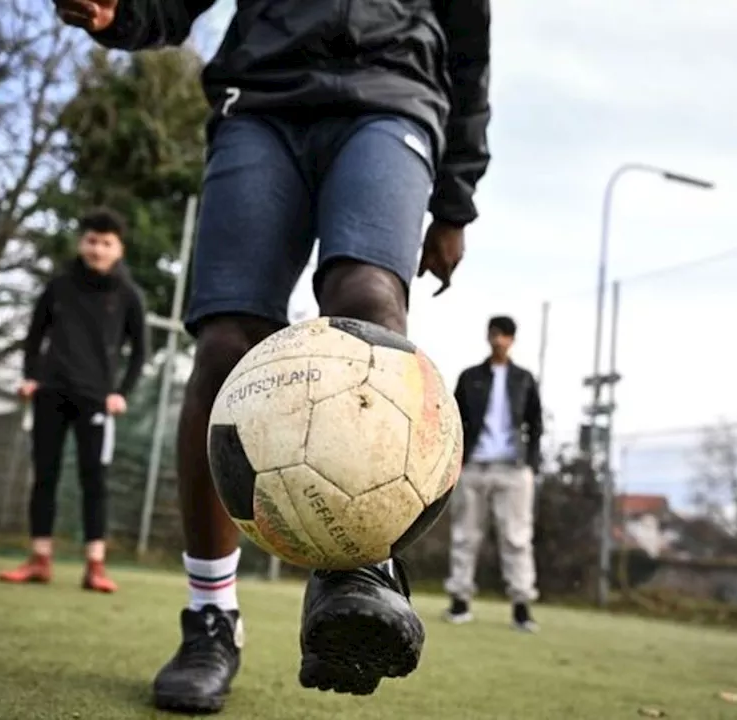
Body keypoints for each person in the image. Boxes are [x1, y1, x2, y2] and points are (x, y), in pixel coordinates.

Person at [51, 0, 491, 713]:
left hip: (394, 99)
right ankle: (210, 618)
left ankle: (356, 571)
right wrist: (118, 14)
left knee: (369, 303)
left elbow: (470, 50)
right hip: (261, 101)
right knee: (227, 341)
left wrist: (455, 199)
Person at [0, 208, 148, 594]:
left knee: (93, 481)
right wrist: (30, 377)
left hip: (97, 400)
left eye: (106, 243)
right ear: (82, 243)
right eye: (92, 241)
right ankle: (39, 559)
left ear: (119, 248)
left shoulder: (128, 295)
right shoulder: (59, 286)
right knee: (43, 476)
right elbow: (34, 335)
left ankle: (95, 565)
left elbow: (140, 352)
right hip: (50, 392)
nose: (98, 249)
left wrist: (121, 393)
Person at [443, 315, 542, 632]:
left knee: (517, 538)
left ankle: (521, 607)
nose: (499, 340)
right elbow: (454, 420)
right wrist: (454, 462)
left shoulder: (524, 379)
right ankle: (459, 601)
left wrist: (531, 464)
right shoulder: (470, 377)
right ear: (488, 337)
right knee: (465, 536)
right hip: (473, 467)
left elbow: (536, 425)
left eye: (505, 335)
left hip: (513, 470)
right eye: (495, 334)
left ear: (512, 340)